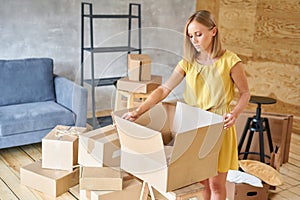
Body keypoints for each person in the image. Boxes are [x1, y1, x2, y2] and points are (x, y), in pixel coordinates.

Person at [122, 10, 250, 200]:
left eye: (198, 34)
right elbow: (164, 90)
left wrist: (236, 113)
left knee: (216, 183)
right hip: (194, 125)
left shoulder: (230, 61)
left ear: (213, 31)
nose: (194, 40)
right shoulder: (187, 63)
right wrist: (139, 111)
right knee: (201, 181)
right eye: (190, 36)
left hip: (219, 125)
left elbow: (245, 93)